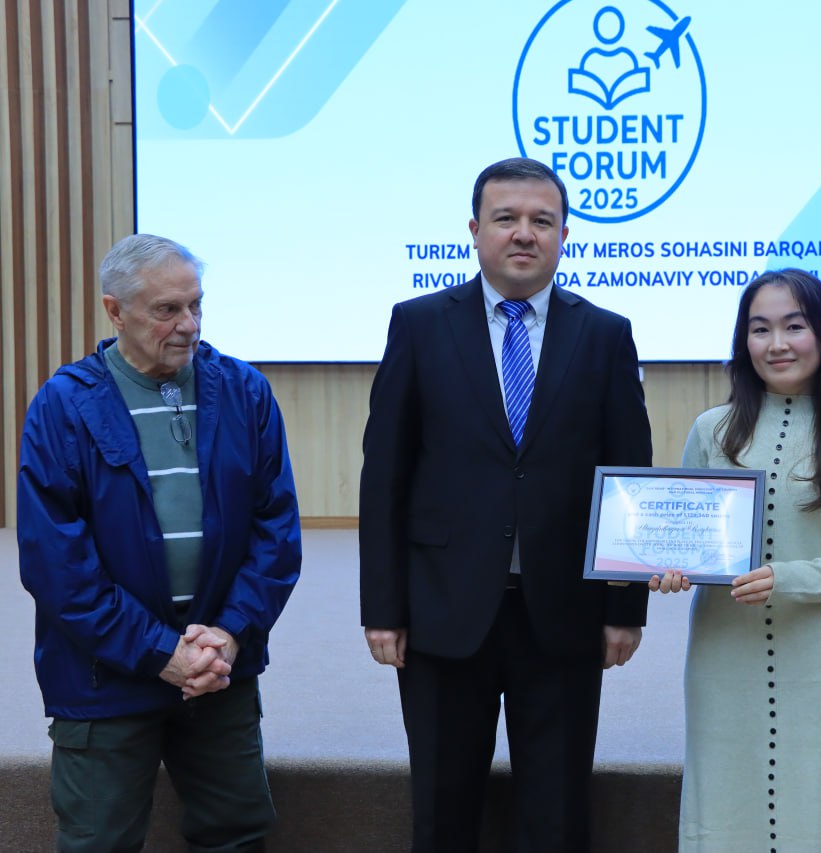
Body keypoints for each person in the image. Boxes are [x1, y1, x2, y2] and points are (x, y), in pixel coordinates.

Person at [359, 157, 653, 852]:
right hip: (442, 609)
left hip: (565, 611)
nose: (525, 233)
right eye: (506, 218)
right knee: (442, 810)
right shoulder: (420, 324)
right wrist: (382, 607)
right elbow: (386, 475)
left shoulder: (605, 333)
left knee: (557, 814)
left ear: (564, 235)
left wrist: (625, 607)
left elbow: (628, 476)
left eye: (542, 220)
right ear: (474, 230)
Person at [17, 233, 303, 852]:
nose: (189, 325)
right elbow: (56, 565)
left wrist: (227, 634)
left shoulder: (244, 391)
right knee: (99, 842)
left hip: (219, 667)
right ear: (115, 311)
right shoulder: (64, 406)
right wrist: (159, 651)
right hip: (105, 675)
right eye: (167, 310)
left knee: (235, 837)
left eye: (196, 305)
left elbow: (276, 531)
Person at [650, 268, 821, 852]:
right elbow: (685, 535)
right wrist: (669, 567)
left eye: (794, 326)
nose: (777, 344)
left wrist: (788, 578)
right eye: (760, 329)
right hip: (724, 655)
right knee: (726, 809)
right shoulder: (711, 431)